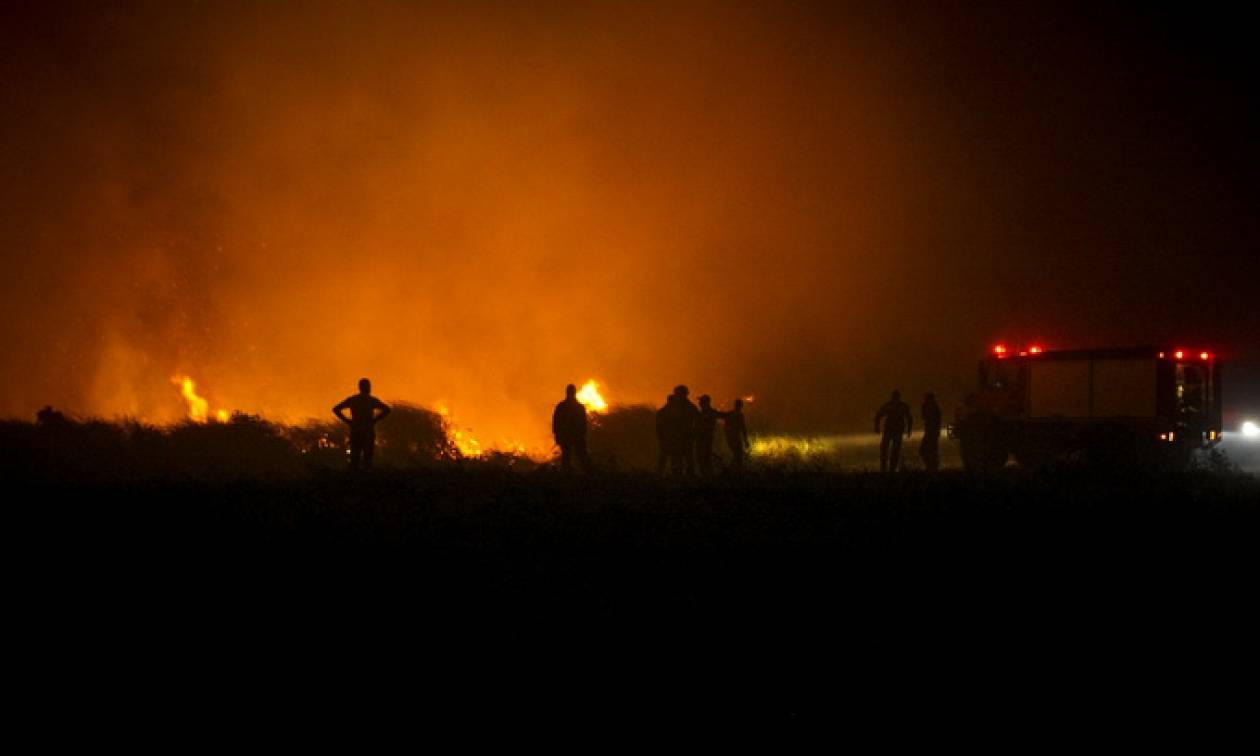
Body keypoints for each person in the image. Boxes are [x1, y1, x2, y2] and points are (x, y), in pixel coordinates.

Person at [333, 378, 391, 470]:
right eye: (369, 386)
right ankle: (366, 480)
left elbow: (336, 409)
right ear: (367, 387)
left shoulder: (353, 400)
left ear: (359, 387)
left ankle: (353, 480)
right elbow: (387, 410)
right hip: (368, 431)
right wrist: (375, 420)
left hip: (355, 430)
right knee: (368, 459)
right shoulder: (371, 400)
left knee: (354, 459)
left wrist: (348, 421)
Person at [657, 385, 699, 475]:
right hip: (678, 438)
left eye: (680, 394)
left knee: (684, 461)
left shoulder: (678, 406)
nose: (679, 396)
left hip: (683, 438)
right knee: (679, 461)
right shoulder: (687, 407)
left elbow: (660, 417)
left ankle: (682, 480)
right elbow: (660, 418)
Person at [552, 383, 592, 471]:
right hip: (573, 435)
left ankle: (571, 473)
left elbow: (556, 421)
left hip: (571, 435)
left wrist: (557, 435)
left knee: (570, 456)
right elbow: (556, 421)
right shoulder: (578, 407)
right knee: (577, 455)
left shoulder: (561, 406)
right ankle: (585, 473)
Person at [874, 389, 913, 473]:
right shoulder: (900, 406)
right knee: (888, 449)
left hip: (894, 430)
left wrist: (876, 426)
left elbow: (879, 415)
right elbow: (909, 419)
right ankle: (887, 468)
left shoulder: (893, 405)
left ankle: (889, 468)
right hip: (892, 430)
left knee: (891, 449)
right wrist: (909, 430)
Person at [694, 395, 721, 476]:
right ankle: (707, 476)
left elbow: (701, 427)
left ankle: (707, 477)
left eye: (701, 401)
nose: (699, 403)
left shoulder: (708, 413)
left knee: (704, 459)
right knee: (703, 458)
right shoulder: (706, 412)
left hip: (704, 439)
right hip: (703, 438)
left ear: (704, 402)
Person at [723, 398, 750, 472]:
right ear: (741, 406)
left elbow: (743, 428)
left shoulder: (730, 414)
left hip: (732, 438)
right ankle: (734, 470)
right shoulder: (738, 415)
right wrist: (746, 440)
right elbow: (743, 428)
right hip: (735, 439)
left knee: (737, 455)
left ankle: (733, 470)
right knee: (738, 455)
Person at [919, 392, 942, 473]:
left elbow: (924, 416)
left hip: (931, 431)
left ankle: (931, 466)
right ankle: (932, 466)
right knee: (931, 449)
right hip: (932, 431)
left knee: (925, 449)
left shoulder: (932, 407)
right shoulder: (935, 407)